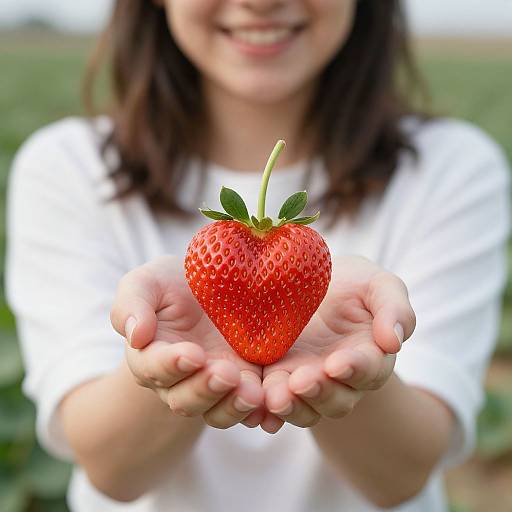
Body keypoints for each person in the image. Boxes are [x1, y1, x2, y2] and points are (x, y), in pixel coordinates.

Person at [5, 1, 511, 511]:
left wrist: (356, 367)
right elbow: (114, 470)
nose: (262, 1)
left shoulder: (453, 168)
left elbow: (402, 476)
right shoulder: (67, 168)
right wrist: (161, 355)